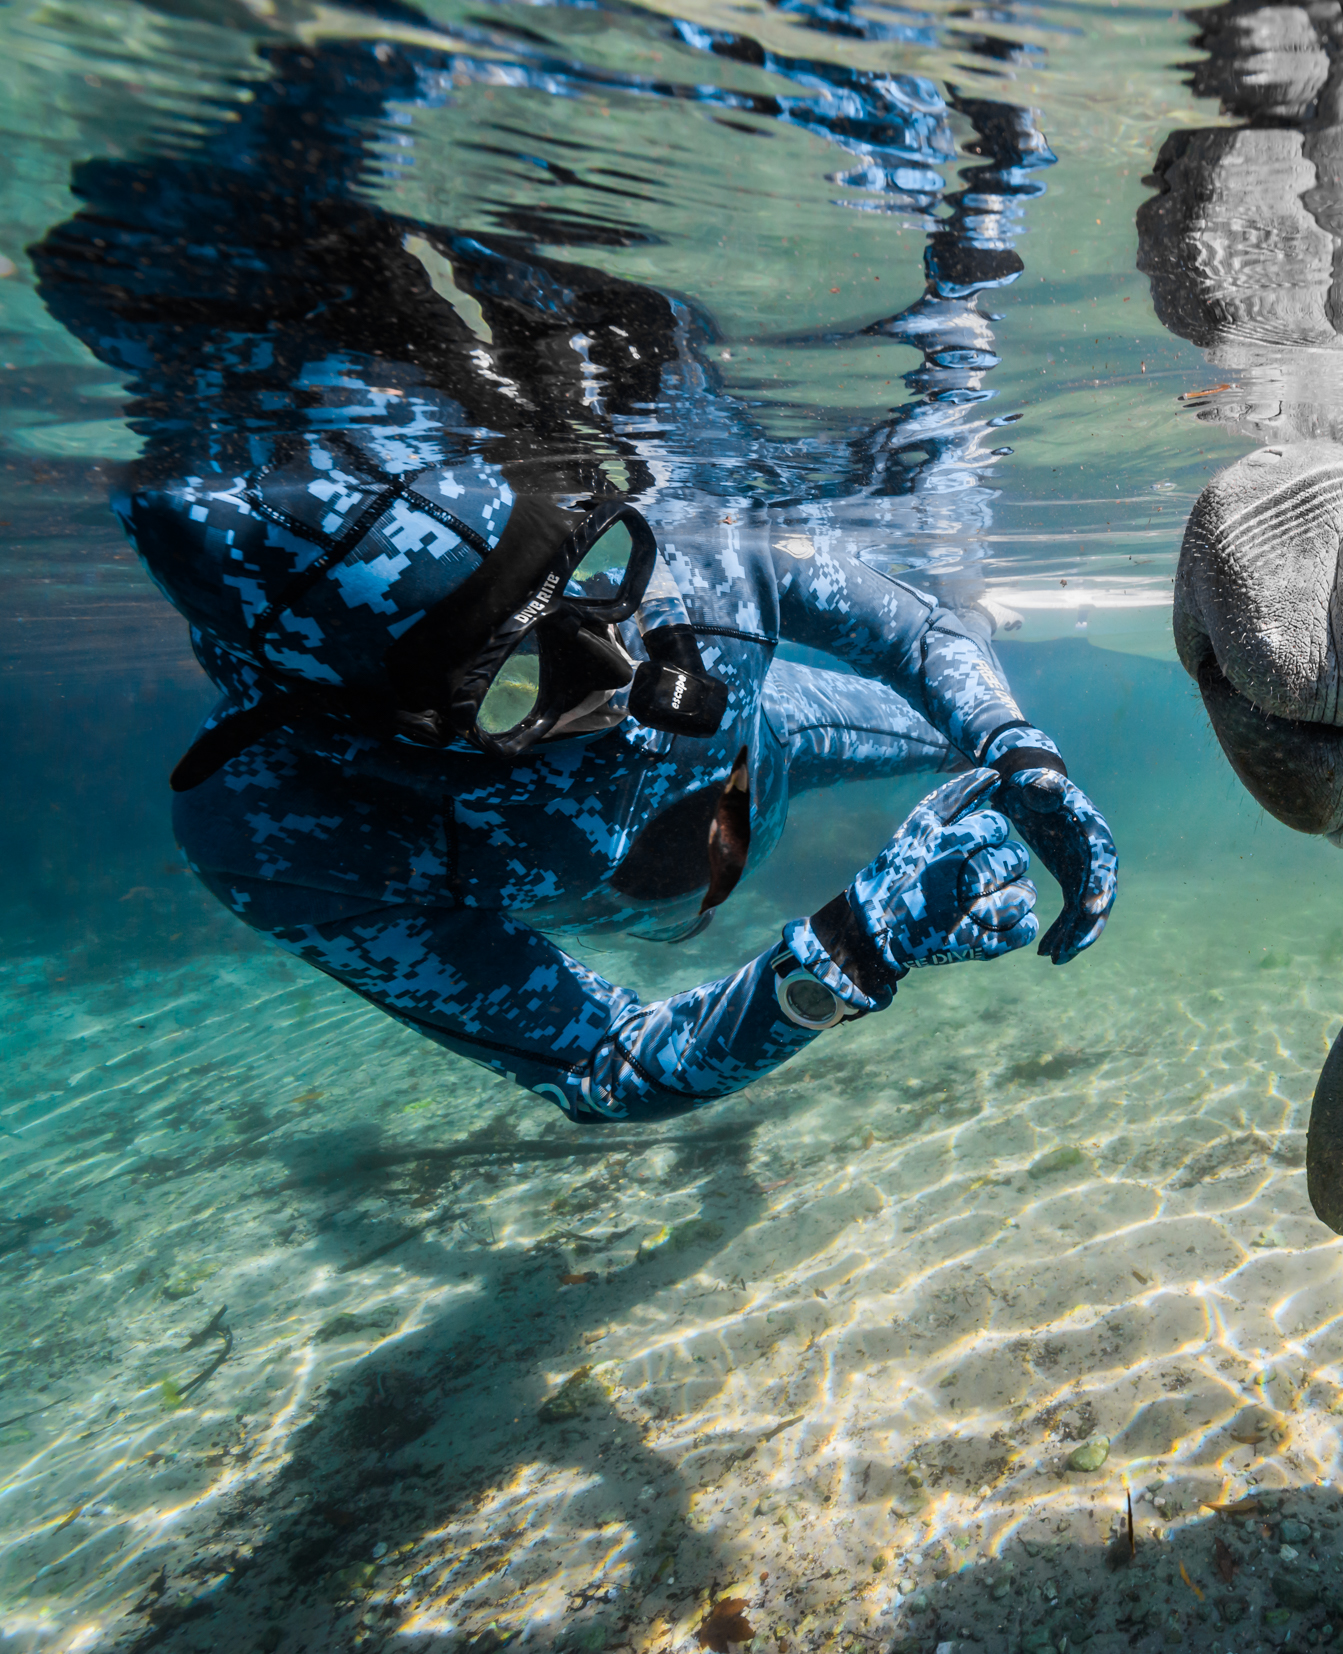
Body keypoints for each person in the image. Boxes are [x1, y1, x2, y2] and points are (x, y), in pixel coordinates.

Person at [31, 20, 1116, 1123]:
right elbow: (611, 1066)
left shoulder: (663, 536)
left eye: (597, 570)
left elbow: (913, 630)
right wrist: (853, 946)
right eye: (520, 677)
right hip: (750, 774)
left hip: (765, 740)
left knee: (932, 717)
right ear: (380, 727)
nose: (627, 655)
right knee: (880, 723)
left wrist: (1020, 749)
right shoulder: (286, 825)